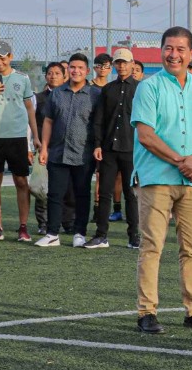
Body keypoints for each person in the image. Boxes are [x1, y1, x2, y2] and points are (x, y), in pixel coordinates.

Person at [130, 26, 192, 334]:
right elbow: (145, 135)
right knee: (152, 246)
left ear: (190, 54)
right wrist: (180, 161)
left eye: (180, 49)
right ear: (161, 51)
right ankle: (147, 311)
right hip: (157, 178)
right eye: (169, 48)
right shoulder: (149, 87)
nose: (174, 54)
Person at [0, 41, 39, 243]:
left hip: (18, 136)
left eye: (3, 57)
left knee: (21, 181)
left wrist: (35, 136)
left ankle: (23, 227)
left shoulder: (22, 79)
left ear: (10, 57)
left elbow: (30, 108)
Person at [36, 52, 101, 247]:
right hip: (57, 152)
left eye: (80, 68)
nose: (76, 71)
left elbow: (99, 124)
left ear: (87, 71)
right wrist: (44, 148)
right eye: (72, 67)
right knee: (55, 194)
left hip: (83, 153)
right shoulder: (56, 93)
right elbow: (48, 121)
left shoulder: (95, 94)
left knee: (82, 194)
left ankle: (79, 233)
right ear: (68, 70)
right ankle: (52, 233)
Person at [85, 48, 139, 249]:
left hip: (131, 149)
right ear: (114, 65)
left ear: (132, 63)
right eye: (118, 62)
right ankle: (101, 235)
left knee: (130, 193)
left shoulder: (141, 89)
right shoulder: (107, 89)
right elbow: (99, 119)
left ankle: (134, 236)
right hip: (108, 148)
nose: (122, 66)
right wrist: (98, 144)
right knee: (104, 192)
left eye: (125, 62)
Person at [31, 61, 74, 235]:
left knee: (68, 187)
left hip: (66, 148)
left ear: (65, 76)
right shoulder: (38, 98)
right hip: (44, 149)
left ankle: (68, 222)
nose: (53, 76)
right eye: (50, 73)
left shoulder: (71, 96)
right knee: (41, 188)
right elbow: (31, 124)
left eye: (57, 73)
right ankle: (43, 222)